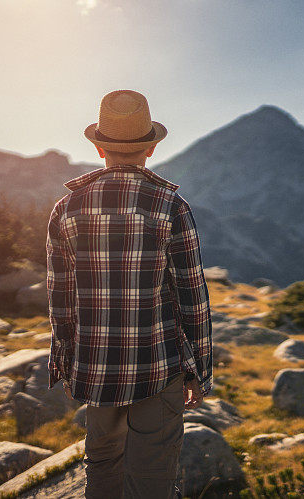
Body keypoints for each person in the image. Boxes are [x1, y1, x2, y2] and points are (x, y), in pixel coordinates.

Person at [46, 89, 213, 498]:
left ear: (99, 147)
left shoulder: (65, 208)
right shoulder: (171, 206)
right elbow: (192, 293)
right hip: (158, 365)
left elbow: (61, 299)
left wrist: (66, 361)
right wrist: (199, 368)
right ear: (152, 147)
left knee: (101, 465)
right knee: (152, 475)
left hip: (95, 365)